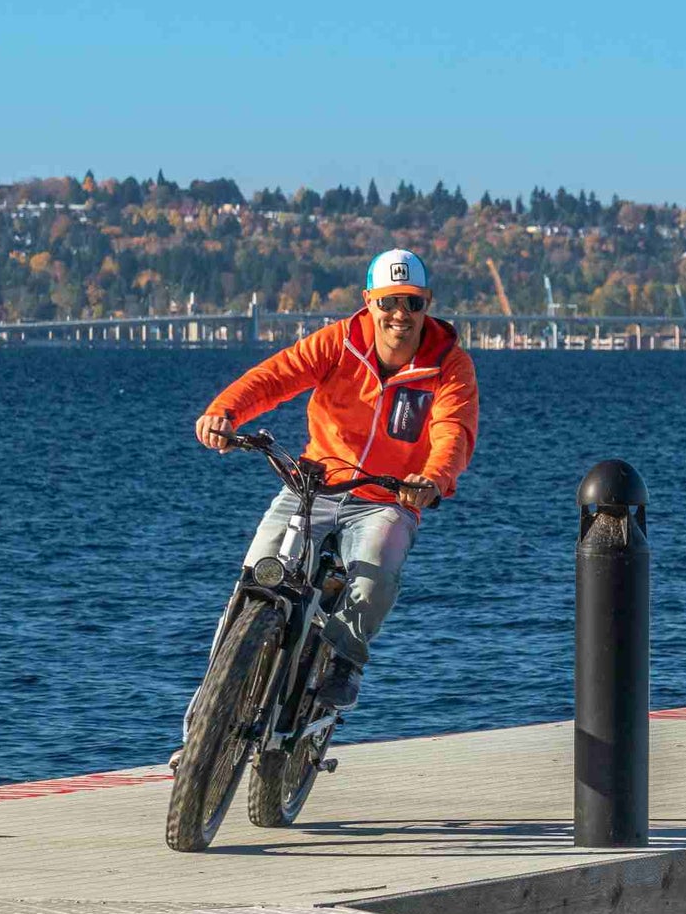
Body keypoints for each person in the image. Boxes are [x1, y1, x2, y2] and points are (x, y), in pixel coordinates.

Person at [192, 248, 479, 711]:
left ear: (428, 302)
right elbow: (276, 377)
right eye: (388, 302)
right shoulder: (339, 342)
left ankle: (344, 661)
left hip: (389, 496)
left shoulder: (450, 366)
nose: (399, 315)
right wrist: (224, 413)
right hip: (315, 485)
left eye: (411, 302)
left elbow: (453, 432)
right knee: (256, 578)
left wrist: (431, 478)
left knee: (373, 573)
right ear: (369, 302)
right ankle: (209, 714)